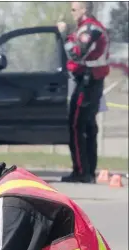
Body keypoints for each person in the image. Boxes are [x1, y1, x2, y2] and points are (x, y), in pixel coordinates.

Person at [57, 2, 110, 183]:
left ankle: (82, 172)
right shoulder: (84, 29)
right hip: (89, 82)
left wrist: (64, 36)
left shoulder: (90, 30)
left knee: (77, 126)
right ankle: (88, 171)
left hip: (88, 83)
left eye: (74, 9)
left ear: (84, 10)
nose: (71, 13)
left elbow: (77, 53)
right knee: (87, 128)